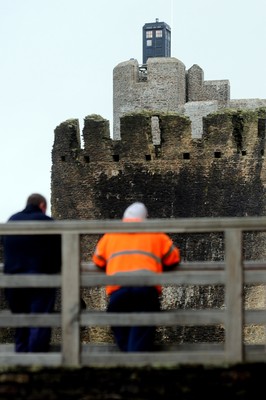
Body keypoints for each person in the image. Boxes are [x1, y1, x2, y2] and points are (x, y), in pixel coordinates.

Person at [92, 201, 181, 352]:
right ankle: (135, 366)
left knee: (122, 336)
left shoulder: (111, 235)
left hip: (118, 293)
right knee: (141, 337)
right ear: (144, 219)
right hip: (145, 292)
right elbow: (173, 259)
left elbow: (98, 261)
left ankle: (128, 364)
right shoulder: (155, 234)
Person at [2, 193, 61, 352]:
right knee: (40, 321)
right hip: (40, 281)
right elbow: (59, 251)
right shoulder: (48, 223)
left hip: (14, 281)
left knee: (21, 322)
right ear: (42, 206)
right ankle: (37, 359)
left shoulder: (12, 221)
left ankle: (21, 357)